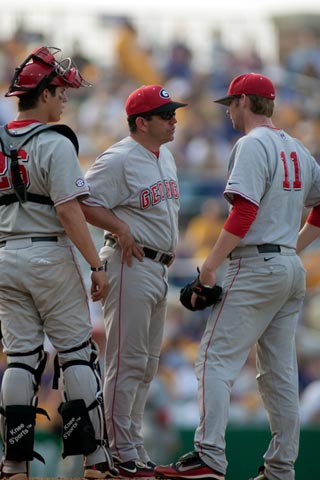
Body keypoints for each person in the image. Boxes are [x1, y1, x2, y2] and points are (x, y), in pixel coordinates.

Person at [154, 72, 320, 480]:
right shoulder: (298, 148)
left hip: (256, 265)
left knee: (212, 359)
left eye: (231, 103)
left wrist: (209, 267)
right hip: (287, 268)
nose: (228, 110)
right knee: (278, 374)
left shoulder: (251, 144)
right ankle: (281, 469)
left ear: (245, 101)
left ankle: (208, 457)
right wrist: (291, 249)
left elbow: (243, 212)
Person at [0, 46, 117, 480]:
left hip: (5, 254)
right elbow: (70, 211)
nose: (65, 99)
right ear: (44, 93)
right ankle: (95, 460)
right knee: (76, 354)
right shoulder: (54, 141)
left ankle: (13, 465)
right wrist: (95, 264)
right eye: (61, 91)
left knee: (21, 359)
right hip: (48, 253)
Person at [81, 84, 187, 477]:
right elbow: (82, 200)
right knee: (126, 363)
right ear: (141, 122)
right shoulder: (120, 157)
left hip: (158, 269)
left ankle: (131, 445)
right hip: (130, 263)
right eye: (165, 114)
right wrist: (120, 226)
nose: (174, 119)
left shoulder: (166, 155)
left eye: (173, 112)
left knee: (145, 366)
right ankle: (116, 450)